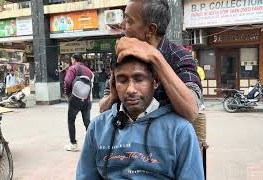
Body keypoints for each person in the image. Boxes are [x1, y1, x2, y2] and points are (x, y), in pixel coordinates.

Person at [76, 55, 204, 179]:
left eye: (139, 79)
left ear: (155, 82)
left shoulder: (179, 130)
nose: (131, 89)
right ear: (114, 85)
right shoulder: (98, 127)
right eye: (122, 80)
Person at [99, 0, 202, 122]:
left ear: (151, 30)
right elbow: (102, 108)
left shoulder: (179, 57)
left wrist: (155, 57)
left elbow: (191, 111)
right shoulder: (123, 57)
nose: (122, 25)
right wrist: (113, 97)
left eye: (129, 21)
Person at [64, 53, 93, 152]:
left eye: (72, 60)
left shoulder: (73, 68)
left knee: (71, 120)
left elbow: (67, 81)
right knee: (87, 122)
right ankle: (94, 143)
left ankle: (73, 144)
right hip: (87, 99)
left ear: (74, 60)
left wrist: (67, 94)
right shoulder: (89, 71)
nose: (71, 62)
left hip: (75, 99)